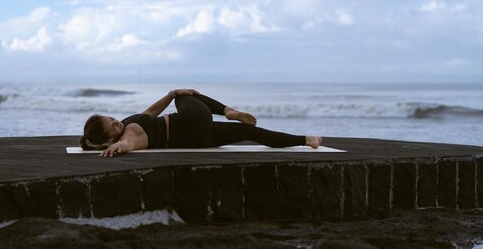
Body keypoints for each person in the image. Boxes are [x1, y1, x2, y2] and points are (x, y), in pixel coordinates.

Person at [80, 89, 322, 157]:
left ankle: (306, 140)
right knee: (189, 95)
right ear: (111, 138)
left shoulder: (126, 125)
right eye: (111, 126)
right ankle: (228, 110)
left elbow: (151, 111)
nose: (115, 122)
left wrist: (170, 94)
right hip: (190, 120)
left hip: (200, 137)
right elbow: (128, 145)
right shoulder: (127, 137)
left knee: (252, 134)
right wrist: (117, 148)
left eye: (110, 118)